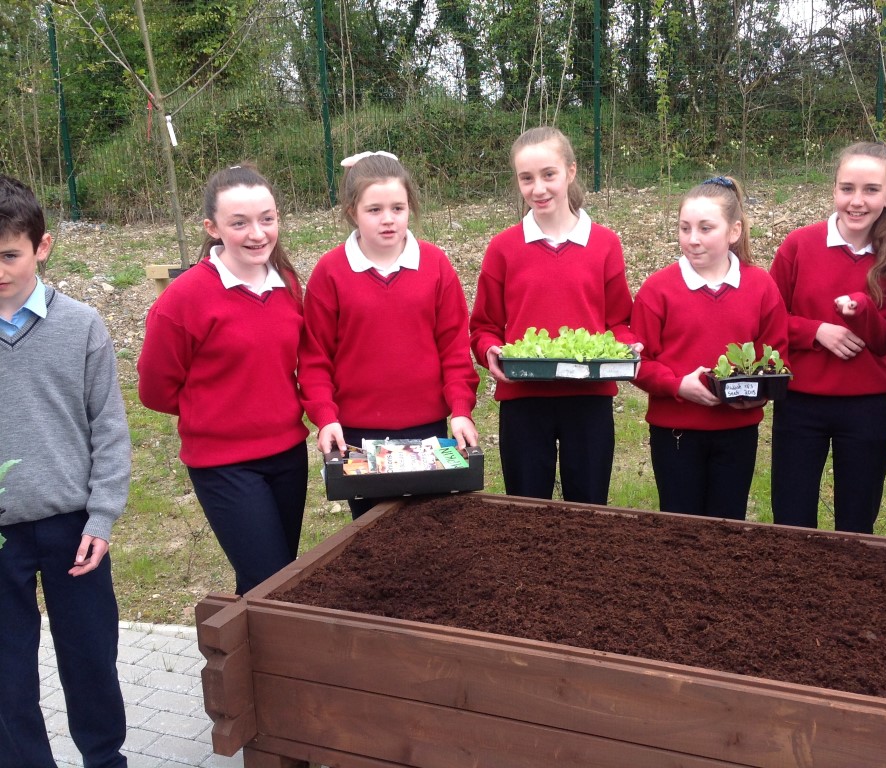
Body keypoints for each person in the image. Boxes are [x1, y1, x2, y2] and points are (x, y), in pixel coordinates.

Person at [0, 175, 131, 768]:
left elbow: (109, 429)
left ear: (42, 247)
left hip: (74, 528)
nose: (0, 270)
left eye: (10, 255)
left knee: (90, 660)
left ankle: (105, 759)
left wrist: (102, 517)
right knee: (7, 673)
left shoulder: (81, 326)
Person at [137, 164, 310, 594]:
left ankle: (245, 638)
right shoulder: (184, 299)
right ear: (212, 228)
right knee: (269, 583)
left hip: (288, 455)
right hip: (224, 464)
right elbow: (155, 389)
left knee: (274, 579)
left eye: (266, 219)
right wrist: (215, 407)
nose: (257, 233)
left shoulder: (288, 284)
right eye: (239, 223)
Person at [299, 151, 479, 519]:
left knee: (429, 529)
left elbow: (454, 349)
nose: (388, 219)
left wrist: (461, 410)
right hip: (357, 436)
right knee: (372, 533)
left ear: (410, 207)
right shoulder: (330, 272)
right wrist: (326, 417)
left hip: (428, 431)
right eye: (374, 210)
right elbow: (315, 358)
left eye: (397, 208)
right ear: (352, 211)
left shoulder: (435, 265)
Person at [470, 126, 635, 505]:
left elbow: (619, 322)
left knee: (588, 507)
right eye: (527, 178)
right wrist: (490, 350)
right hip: (524, 398)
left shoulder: (605, 244)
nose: (538, 188)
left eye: (549, 175)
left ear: (570, 172)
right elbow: (484, 327)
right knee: (527, 508)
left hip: (589, 397)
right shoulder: (503, 248)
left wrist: (627, 347)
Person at [769, 142, 886, 533]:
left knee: (856, 523)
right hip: (800, 402)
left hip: (867, 405)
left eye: (871, 190)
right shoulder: (799, 244)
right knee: (791, 518)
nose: (857, 201)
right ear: (834, 188)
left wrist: (863, 310)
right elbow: (766, 320)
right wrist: (817, 330)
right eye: (847, 188)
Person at [631, 176, 788, 519]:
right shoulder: (657, 290)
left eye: (706, 228)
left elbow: (776, 357)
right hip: (676, 434)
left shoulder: (760, 286)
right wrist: (676, 385)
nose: (693, 239)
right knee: (680, 524)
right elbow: (639, 362)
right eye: (684, 228)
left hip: (737, 432)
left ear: (734, 231)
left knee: (727, 524)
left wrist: (758, 393)